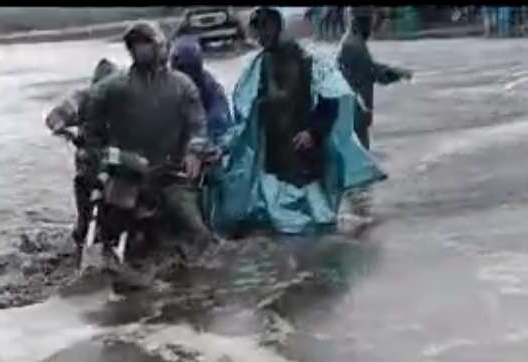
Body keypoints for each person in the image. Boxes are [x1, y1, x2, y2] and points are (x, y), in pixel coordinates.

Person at [207, 6, 386, 236]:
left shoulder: (310, 63)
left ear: (282, 27)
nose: (262, 34)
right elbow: (245, 113)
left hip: (306, 154)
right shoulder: (257, 67)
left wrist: (313, 132)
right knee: (277, 220)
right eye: (258, 27)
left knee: (317, 222)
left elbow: (330, 101)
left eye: (267, 26)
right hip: (273, 153)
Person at [84, 21, 212, 251]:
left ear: (162, 46)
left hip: (171, 173)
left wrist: (194, 151)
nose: (141, 49)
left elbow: (198, 124)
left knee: (196, 231)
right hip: (128, 172)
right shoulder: (113, 87)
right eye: (135, 44)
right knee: (107, 232)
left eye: (146, 43)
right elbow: (88, 115)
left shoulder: (182, 85)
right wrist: (100, 154)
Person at [44, 58, 118, 250]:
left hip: (119, 169)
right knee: (84, 224)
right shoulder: (83, 99)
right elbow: (55, 115)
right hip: (89, 169)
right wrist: (61, 127)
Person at [337, 6, 413, 150]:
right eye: (370, 22)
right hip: (355, 114)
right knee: (360, 158)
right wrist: (398, 74)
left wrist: (396, 71)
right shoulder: (353, 46)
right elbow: (373, 72)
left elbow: (369, 67)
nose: (372, 27)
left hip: (354, 112)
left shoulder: (353, 41)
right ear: (360, 22)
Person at [169, 35, 233, 146]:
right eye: (180, 68)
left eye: (187, 67)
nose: (184, 73)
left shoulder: (211, 88)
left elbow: (220, 124)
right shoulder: (167, 85)